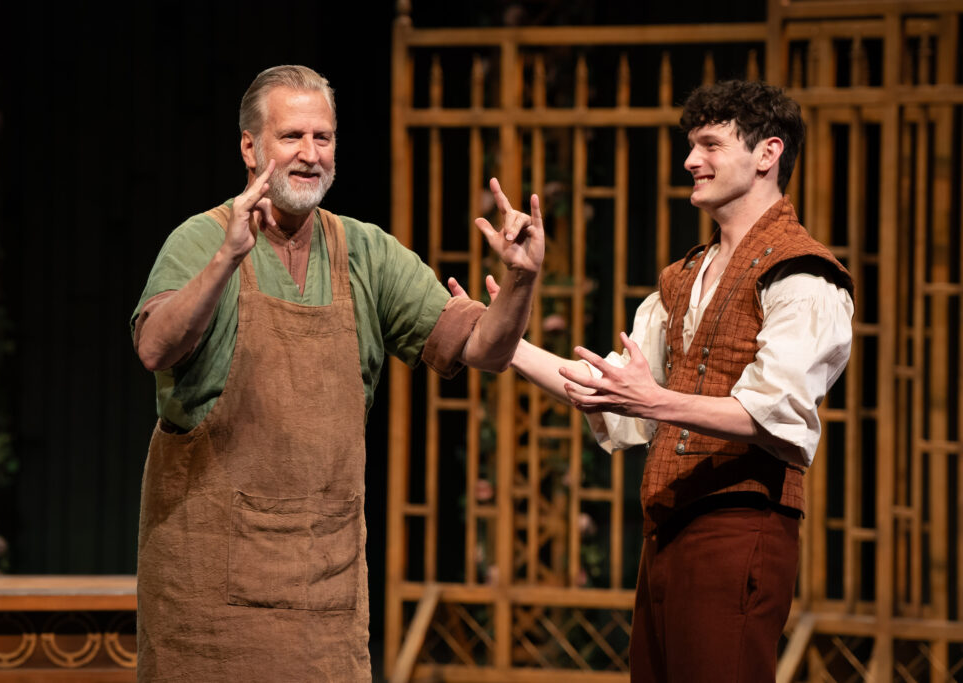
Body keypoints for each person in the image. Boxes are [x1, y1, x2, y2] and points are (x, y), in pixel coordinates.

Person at [130, 65, 544, 681]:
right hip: (208, 594)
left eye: (322, 137)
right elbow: (154, 348)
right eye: (291, 136)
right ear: (249, 148)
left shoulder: (366, 252)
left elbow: (483, 348)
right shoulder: (201, 239)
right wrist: (226, 259)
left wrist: (522, 278)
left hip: (323, 592)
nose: (310, 154)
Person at [451, 80, 853, 682]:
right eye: (691, 145)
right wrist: (497, 334)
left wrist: (655, 400)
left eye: (711, 145)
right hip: (667, 531)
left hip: (740, 527)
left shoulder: (802, 275)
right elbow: (611, 388)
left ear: (768, 153)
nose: (691, 160)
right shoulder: (685, 276)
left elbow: (774, 413)